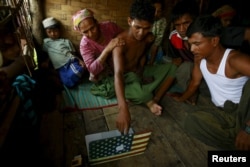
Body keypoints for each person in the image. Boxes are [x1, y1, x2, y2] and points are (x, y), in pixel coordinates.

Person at [174, 15, 250, 150]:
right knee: (191, 123)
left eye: (197, 44)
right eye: (190, 44)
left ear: (214, 40)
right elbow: (194, 83)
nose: (192, 49)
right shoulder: (200, 58)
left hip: (241, 113)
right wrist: (180, 99)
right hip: (220, 110)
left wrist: (248, 128)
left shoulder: (235, 60)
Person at [111, 0, 176, 133]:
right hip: (124, 80)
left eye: (147, 28)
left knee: (173, 67)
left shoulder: (148, 37)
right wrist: (123, 109)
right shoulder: (120, 43)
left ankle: (154, 98)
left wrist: (141, 73)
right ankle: (146, 97)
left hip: (139, 73)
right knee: (142, 93)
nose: (141, 33)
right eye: (138, 27)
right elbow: (118, 74)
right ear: (130, 21)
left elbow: (140, 56)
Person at [72, 9, 124, 83]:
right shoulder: (84, 45)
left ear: (96, 22)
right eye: (85, 32)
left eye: (92, 28)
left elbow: (125, 36)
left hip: (121, 60)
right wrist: (107, 50)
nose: (91, 34)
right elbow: (92, 69)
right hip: (106, 69)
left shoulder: (109, 27)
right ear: (80, 32)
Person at [42, 17, 85, 88]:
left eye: (55, 31)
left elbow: (73, 54)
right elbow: (49, 54)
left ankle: (75, 77)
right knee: (67, 83)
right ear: (46, 32)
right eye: (49, 32)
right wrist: (46, 62)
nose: (53, 34)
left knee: (78, 70)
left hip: (70, 61)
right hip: (60, 67)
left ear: (59, 31)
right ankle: (73, 79)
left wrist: (80, 60)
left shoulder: (65, 41)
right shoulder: (46, 42)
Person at [147, 0, 167, 65]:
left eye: (159, 11)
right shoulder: (145, 19)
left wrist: (151, 63)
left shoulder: (162, 21)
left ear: (162, 12)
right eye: (153, 10)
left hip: (156, 52)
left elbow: (156, 44)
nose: (155, 14)